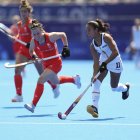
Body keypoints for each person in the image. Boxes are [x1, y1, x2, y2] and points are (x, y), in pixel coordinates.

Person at [24, 19, 81, 113]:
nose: (36, 36)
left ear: (42, 31)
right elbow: (31, 51)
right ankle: (74, 79)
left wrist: (65, 47)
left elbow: (63, 34)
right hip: (46, 64)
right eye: (34, 34)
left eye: (38, 33)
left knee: (41, 79)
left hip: (56, 63)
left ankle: (33, 104)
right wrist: (34, 56)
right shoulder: (34, 40)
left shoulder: (50, 37)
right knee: (56, 81)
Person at [86, 19, 130, 118]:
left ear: (96, 30)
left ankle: (125, 88)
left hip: (115, 61)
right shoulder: (92, 45)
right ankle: (95, 108)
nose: (87, 32)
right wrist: (94, 75)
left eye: (89, 30)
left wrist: (106, 63)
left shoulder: (106, 38)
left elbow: (115, 52)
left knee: (114, 87)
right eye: (87, 30)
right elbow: (96, 62)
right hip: (104, 61)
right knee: (96, 82)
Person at [11, 0, 43, 102]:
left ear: (29, 12)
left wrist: (32, 42)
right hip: (23, 51)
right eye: (22, 12)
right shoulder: (19, 24)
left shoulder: (32, 24)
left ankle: (55, 85)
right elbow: (20, 35)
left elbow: (40, 36)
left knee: (43, 75)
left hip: (35, 51)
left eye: (25, 11)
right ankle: (19, 95)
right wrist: (16, 37)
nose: (23, 14)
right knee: (17, 71)